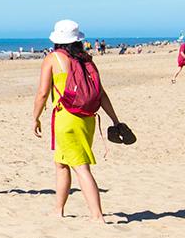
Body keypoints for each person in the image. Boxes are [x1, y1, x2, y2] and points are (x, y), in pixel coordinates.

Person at [31, 20, 122, 221]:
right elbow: (101, 93)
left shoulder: (53, 59)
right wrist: (115, 120)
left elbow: (42, 93)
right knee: (61, 164)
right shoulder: (86, 59)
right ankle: (58, 209)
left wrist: (35, 118)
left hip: (66, 118)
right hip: (87, 118)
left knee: (81, 166)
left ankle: (97, 215)